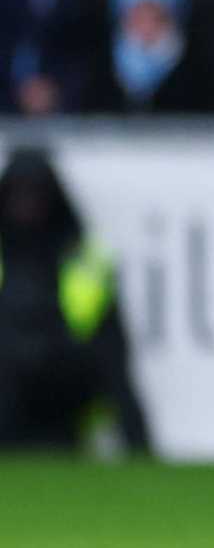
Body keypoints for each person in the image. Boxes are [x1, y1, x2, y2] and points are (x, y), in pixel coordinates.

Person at [0, 147, 150, 453]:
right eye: (18, 193)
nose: (25, 204)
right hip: (6, 381)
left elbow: (114, 354)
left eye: (34, 193)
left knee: (107, 357)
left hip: (65, 376)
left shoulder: (82, 255)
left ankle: (141, 459)